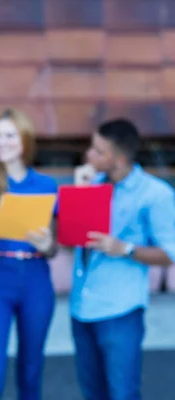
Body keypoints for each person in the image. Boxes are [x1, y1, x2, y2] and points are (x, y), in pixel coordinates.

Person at [71, 118, 175, 400]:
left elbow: (170, 253)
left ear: (117, 159)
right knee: (93, 393)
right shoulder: (91, 185)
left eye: (97, 151)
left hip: (120, 312)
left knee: (123, 394)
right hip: (81, 309)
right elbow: (74, 242)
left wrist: (125, 249)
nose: (88, 155)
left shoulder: (156, 195)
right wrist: (81, 195)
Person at [0, 108, 58, 400]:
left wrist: (47, 246)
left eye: (9, 135)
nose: (1, 142)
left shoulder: (46, 185)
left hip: (36, 278)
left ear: (25, 140)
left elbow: (53, 246)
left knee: (30, 376)